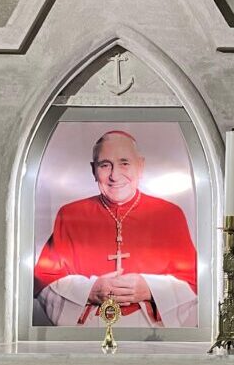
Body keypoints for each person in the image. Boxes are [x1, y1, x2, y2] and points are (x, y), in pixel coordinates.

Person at [33, 130, 198, 327]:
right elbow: (43, 281)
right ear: (94, 170)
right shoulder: (69, 215)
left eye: (124, 163)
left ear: (140, 166)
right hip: (88, 334)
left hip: (152, 334)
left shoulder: (169, 214)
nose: (114, 175)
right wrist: (90, 290)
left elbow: (195, 281)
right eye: (105, 165)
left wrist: (150, 288)